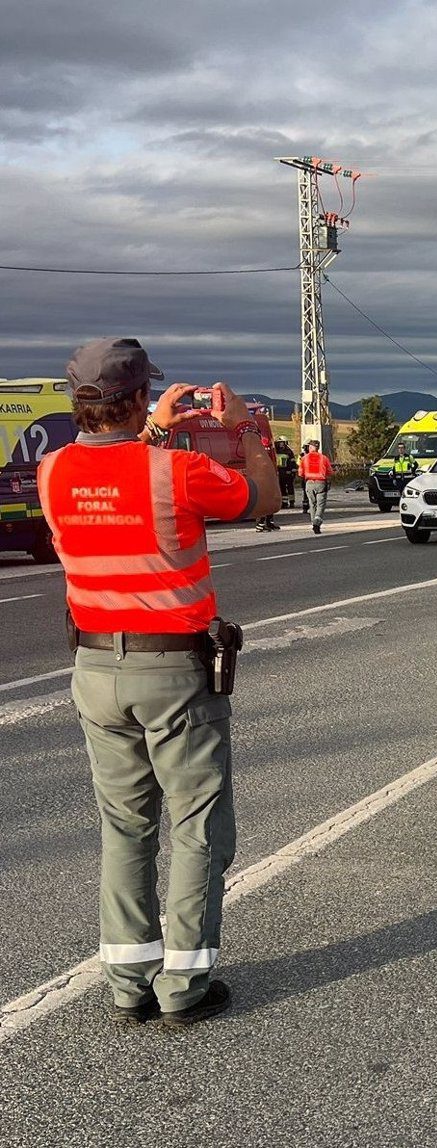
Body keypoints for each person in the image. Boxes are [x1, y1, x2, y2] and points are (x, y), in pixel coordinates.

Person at [36, 337, 280, 1028]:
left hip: (93, 669)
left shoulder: (53, 472)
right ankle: (185, 987)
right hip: (173, 670)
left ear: (79, 401)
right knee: (198, 826)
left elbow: (110, 473)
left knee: (125, 827)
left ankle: (126, 982)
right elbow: (260, 496)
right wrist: (244, 428)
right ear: (140, 396)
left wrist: (149, 429)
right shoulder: (178, 471)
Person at [298, 438, 333, 533]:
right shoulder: (324, 458)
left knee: (312, 504)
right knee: (320, 504)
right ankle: (317, 521)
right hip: (321, 483)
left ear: (310, 447)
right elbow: (330, 472)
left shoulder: (304, 458)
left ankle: (313, 522)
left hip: (309, 483)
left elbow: (300, 473)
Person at [275, 437, 298, 508]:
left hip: (288, 472)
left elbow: (292, 462)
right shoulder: (276, 451)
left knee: (290, 487)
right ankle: (284, 503)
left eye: (282, 442)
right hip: (280, 472)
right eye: (279, 442)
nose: (280, 444)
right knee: (282, 488)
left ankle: (291, 502)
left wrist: (292, 471)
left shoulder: (289, 451)